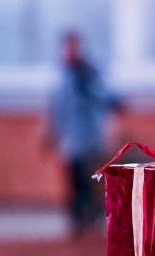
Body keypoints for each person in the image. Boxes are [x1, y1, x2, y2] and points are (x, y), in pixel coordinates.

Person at [47, 32, 121, 237]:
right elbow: (57, 105)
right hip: (71, 137)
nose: (70, 51)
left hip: (90, 137)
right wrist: (53, 131)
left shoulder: (90, 74)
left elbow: (106, 99)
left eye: (73, 46)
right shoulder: (63, 74)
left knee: (89, 178)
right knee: (74, 177)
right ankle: (78, 217)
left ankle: (91, 216)